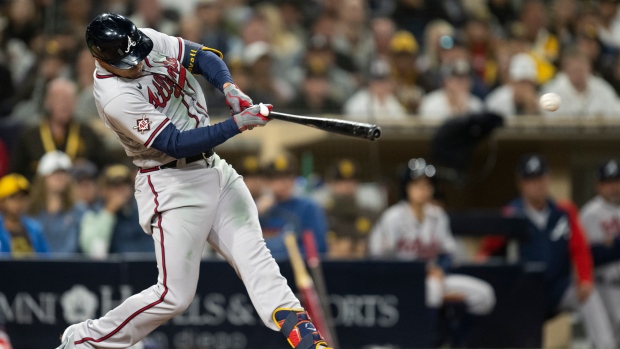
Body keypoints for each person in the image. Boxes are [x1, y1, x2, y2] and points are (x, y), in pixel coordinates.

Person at [55, 13, 332, 349]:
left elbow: (202, 56)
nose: (139, 63)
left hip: (214, 168)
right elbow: (174, 143)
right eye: (128, 63)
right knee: (175, 295)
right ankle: (85, 339)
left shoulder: (140, 40)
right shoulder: (114, 96)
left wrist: (229, 88)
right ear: (101, 59)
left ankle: (303, 336)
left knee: (254, 255)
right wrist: (237, 124)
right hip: (172, 182)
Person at [479, 154, 616, 349]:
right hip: (526, 292)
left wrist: (585, 278)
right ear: (521, 183)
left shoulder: (564, 211)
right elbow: (488, 250)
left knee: (589, 294)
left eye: (540, 178)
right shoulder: (511, 214)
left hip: (559, 288)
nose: (537, 184)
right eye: (530, 180)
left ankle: (606, 346)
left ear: (548, 178)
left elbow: (580, 249)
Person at [369, 158, 495, 347]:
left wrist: (438, 270)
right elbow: (378, 255)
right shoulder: (393, 217)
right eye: (417, 184)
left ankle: (456, 342)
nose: (423, 189)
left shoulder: (437, 215)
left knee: (485, 295)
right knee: (433, 291)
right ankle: (425, 343)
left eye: (427, 185)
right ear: (406, 188)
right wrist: (423, 271)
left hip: (434, 277)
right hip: (402, 281)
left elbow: (448, 254)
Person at [10, 78, 110, 180]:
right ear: (48, 102)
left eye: (69, 99)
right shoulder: (30, 135)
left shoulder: (87, 133)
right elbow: (16, 174)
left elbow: (106, 165)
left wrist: (88, 166)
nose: (65, 104)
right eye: (59, 99)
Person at [580, 159, 620, 341]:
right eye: (607, 182)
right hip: (603, 286)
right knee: (605, 343)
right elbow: (589, 255)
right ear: (598, 185)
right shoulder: (589, 213)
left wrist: (613, 244)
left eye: (616, 181)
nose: (613, 187)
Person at [259, 154, 328, 260]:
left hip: (296, 266)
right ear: (268, 182)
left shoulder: (308, 207)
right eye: (277, 178)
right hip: (262, 268)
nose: (284, 183)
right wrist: (257, 213)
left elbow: (319, 246)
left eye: (288, 177)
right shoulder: (257, 208)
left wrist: (282, 255)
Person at [80, 164, 154, 259]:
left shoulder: (141, 211)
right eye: (115, 186)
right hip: (111, 270)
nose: (121, 190)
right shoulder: (93, 214)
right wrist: (109, 212)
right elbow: (93, 252)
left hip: (142, 266)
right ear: (104, 190)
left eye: (125, 184)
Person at [29, 151, 85, 255]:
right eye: (54, 173)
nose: (59, 177)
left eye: (64, 173)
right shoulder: (31, 211)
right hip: (37, 267)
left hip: (71, 267)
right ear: (43, 177)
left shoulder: (79, 210)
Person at [541, 48, 620, 118]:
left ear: (590, 68)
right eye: (575, 69)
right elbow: (545, 118)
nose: (579, 73)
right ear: (565, 70)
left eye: (581, 68)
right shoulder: (552, 90)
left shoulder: (602, 88)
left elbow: (616, 112)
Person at [324, 159, 375, 259]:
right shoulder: (322, 215)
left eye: (352, 181)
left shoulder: (370, 214)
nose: (347, 186)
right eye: (341, 181)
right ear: (331, 184)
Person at [343, 59, 407, 122]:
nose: (381, 85)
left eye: (383, 81)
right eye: (377, 81)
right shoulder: (359, 100)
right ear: (370, 82)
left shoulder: (391, 100)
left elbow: (403, 121)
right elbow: (349, 113)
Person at [0, 173, 49, 256]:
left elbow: (47, 259)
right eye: (13, 197)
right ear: (2, 201)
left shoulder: (35, 229)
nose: (19, 202)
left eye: (23, 197)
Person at [419, 60, 484, 121]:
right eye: (456, 78)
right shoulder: (431, 103)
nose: (461, 82)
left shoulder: (477, 106)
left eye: (465, 78)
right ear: (446, 81)